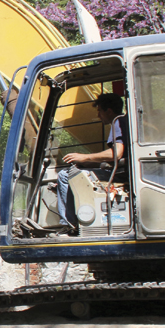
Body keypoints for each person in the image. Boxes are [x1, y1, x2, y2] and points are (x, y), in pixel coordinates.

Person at [56, 93, 128, 231]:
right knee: (76, 172)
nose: (99, 115)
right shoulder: (124, 122)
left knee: (65, 176)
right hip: (119, 170)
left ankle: (69, 225)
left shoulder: (117, 122)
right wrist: (88, 164)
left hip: (119, 175)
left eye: (100, 111)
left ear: (109, 111)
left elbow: (117, 153)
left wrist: (84, 157)